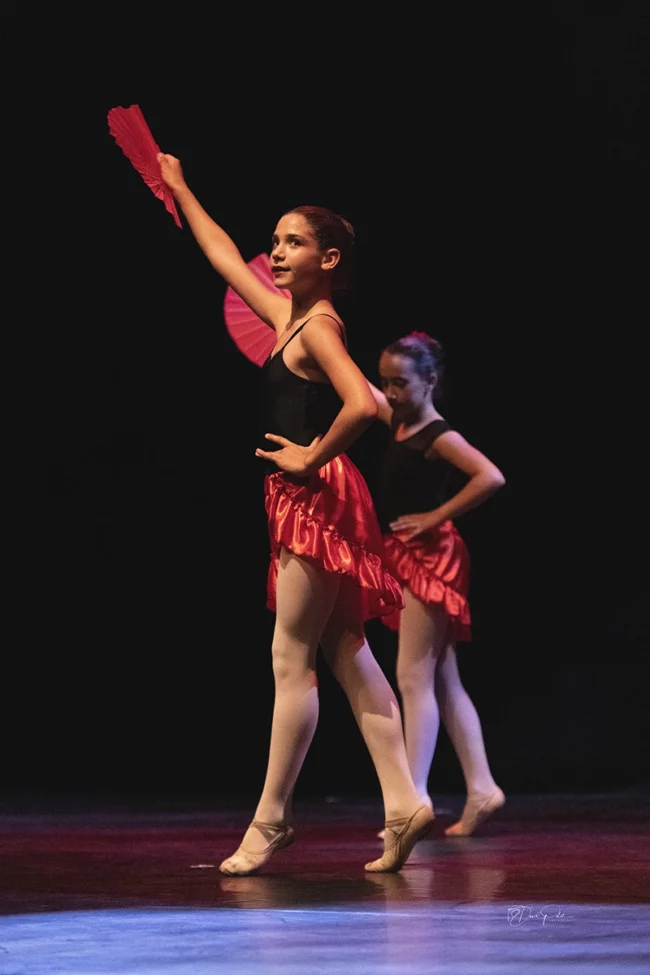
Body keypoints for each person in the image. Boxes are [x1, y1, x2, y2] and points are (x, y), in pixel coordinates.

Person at [156, 153, 435, 875]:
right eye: (274, 241)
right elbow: (223, 257)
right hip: (321, 492)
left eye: (292, 242)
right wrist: (181, 188)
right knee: (347, 648)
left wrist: (310, 460)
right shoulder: (290, 315)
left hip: (315, 495)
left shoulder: (317, 328)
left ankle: (271, 819)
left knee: (291, 658)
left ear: (329, 256)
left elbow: (365, 402)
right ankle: (404, 799)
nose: (276, 252)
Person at [368, 331, 506, 838]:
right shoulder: (397, 418)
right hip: (407, 555)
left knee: (412, 678)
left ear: (431, 381)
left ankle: (414, 799)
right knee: (443, 678)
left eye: (400, 382)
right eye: (386, 382)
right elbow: (355, 389)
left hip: (432, 558)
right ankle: (482, 786)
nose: (391, 392)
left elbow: (489, 476)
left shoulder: (436, 434)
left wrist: (435, 517)